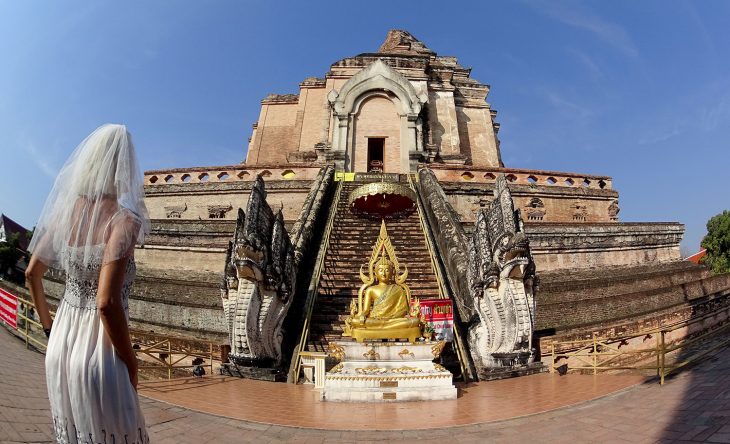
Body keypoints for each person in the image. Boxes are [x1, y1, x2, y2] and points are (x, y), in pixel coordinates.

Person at [25, 124, 150, 443]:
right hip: (101, 355)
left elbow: (32, 274)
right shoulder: (124, 221)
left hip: (60, 348)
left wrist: (49, 328)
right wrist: (132, 362)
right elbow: (106, 303)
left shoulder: (65, 214)